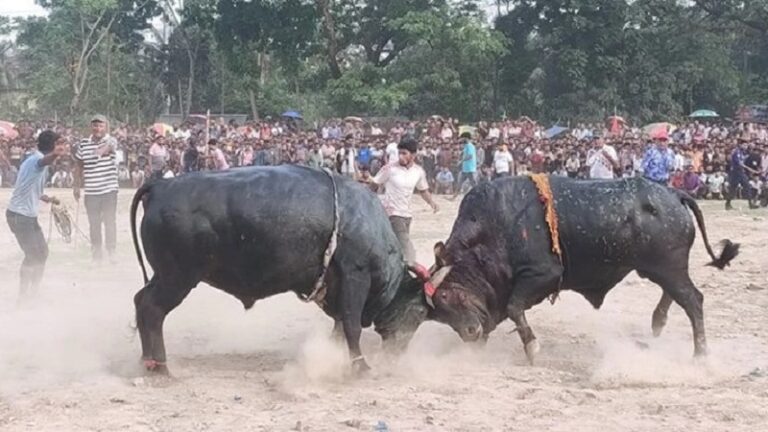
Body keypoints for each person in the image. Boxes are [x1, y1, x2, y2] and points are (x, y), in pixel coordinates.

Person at [6, 130, 66, 303]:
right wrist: (55, 155)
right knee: (32, 255)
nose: (61, 147)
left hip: (26, 216)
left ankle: (33, 292)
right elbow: (43, 161)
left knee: (42, 253)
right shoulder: (37, 160)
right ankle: (23, 296)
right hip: (20, 216)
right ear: (51, 145)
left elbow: (31, 187)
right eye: (58, 143)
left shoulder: (33, 160)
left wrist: (48, 198)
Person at [367, 136, 439, 265]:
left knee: (396, 245)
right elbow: (375, 184)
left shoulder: (418, 171)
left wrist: (432, 203)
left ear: (413, 155)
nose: (401, 156)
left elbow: (423, 190)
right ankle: (411, 268)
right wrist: (369, 200)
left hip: (407, 214)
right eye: (399, 153)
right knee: (407, 247)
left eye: (404, 153)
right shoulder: (389, 168)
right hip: (391, 212)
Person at [73, 114, 119, 262]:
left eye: (100, 125)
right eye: (95, 125)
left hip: (109, 189)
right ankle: (97, 254)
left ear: (105, 127)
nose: (97, 128)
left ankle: (111, 252)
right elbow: (79, 165)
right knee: (94, 224)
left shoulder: (111, 141)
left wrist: (103, 145)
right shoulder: (83, 144)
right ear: (90, 127)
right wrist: (76, 186)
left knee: (109, 221)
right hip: (91, 190)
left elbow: (104, 151)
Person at [725, 137, 759, 210]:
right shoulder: (736, 152)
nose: (745, 147)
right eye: (744, 145)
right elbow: (739, 163)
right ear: (740, 145)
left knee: (747, 186)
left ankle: (751, 204)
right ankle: (727, 204)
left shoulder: (742, 152)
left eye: (746, 145)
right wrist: (750, 169)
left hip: (740, 172)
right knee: (733, 189)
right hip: (736, 173)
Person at [452, 133, 478, 198]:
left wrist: (461, 161)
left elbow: (470, 156)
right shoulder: (466, 146)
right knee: (460, 182)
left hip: (470, 168)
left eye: (462, 138)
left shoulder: (470, 146)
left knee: (473, 183)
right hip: (466, 168)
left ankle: (479, 195)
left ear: (466, 138)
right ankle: (454, 196)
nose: (461, 139)